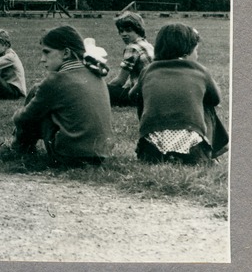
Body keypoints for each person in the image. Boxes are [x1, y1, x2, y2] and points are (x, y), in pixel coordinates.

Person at [12, 25, 114, 167]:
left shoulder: (55, 80)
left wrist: (16, 117)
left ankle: (20, 147)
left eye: (47, 52)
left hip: (68, 156)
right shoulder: (96, 75)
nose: (42, 59)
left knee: (37, 94)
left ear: (66, 53)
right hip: (101, 155)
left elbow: (26, 116)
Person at [129, 23, 228, 165]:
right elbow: (216, 99)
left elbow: (133, 96)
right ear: (188, 51)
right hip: (192, 149)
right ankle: (212, 152)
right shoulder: (200, 71)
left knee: (142, 99)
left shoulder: (148, 70)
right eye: (196, 50)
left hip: (151, 150)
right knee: (207, 106)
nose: (197, 55)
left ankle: (159, 150)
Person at [105, 11, 154, 108]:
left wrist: (105, 89)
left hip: (139, 95)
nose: (124, 34)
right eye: (121, 31)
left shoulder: (132, 48)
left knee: (103, 90)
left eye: (128, 30)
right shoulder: (147, 44)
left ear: (138, 30)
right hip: (151, 93)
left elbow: (120, 81)